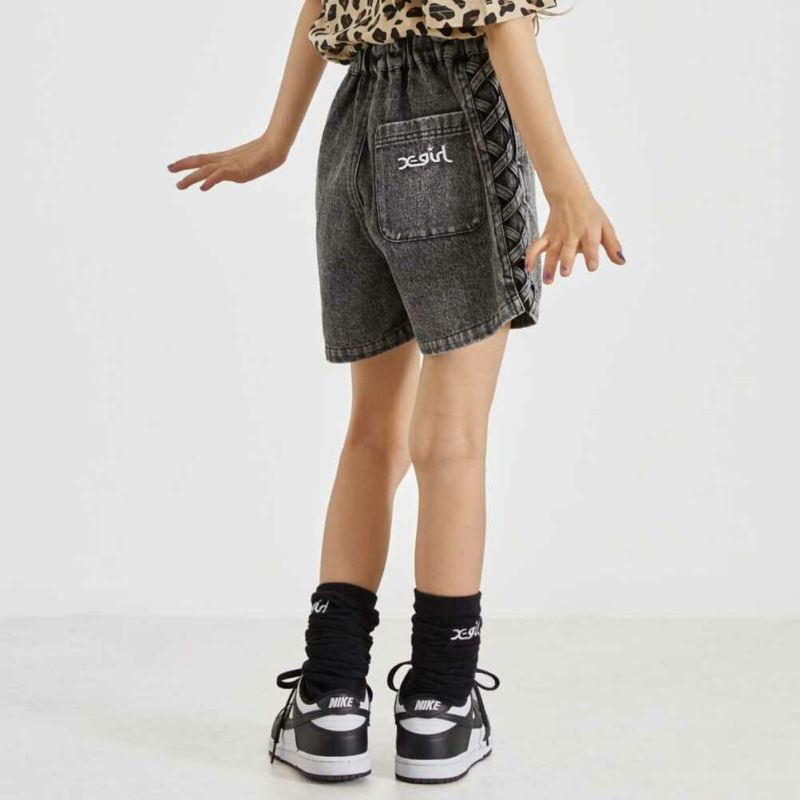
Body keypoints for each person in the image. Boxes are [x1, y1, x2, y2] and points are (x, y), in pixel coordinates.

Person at [168, 0, 625, 785]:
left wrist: (277, 139)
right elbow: (499, 21)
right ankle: (439, 707)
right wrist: (567, 185)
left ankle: (330, 700)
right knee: (452, 440)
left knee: (372, 434)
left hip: (353, 128)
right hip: (455, 124)